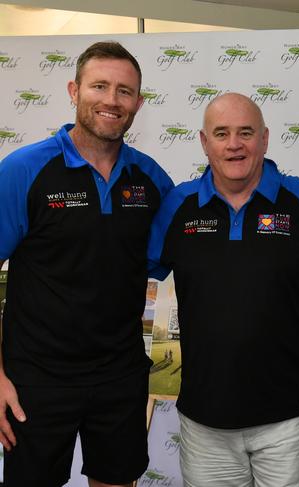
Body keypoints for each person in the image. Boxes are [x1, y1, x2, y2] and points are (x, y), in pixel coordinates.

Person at [0, 42, 174, 487]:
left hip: (120, 376)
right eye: (99, 86)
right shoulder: (24, 169)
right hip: (35, 381)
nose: (112, 100)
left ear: (138, 102)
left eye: (124, 90)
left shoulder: (152, 180)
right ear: (74, 90)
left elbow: (176, 261)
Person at [147, 93, 299, 487]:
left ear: (265, 139)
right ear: (205, 142)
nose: (234, 144)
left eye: (246, 132)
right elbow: (122, 271)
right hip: (204, 424)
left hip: (289, 422)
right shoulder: (177, 205)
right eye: (221, 133)